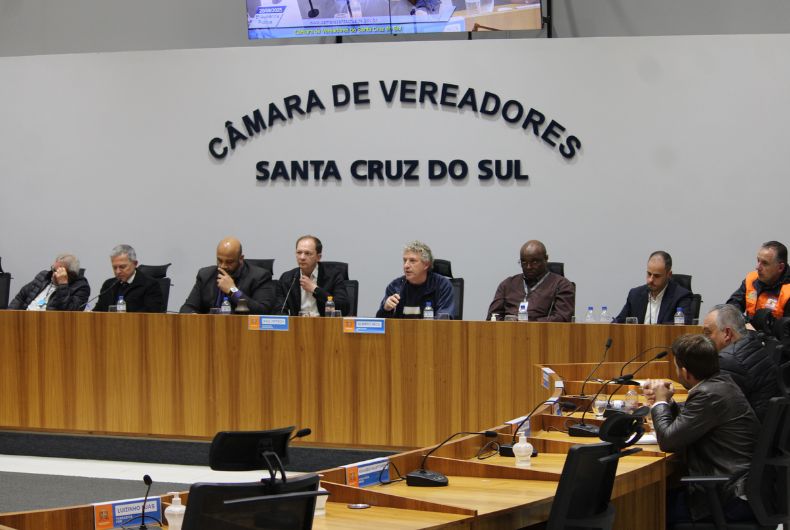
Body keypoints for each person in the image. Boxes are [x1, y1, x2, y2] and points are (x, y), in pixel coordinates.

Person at [643, 334, 759, 525]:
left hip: (729, 496)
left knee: (650, 506)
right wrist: (667, 402)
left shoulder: (708, 395)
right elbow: (693, 421)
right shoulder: (722, 383)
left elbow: (668, 441)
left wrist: (660, 403)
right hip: (743, 488)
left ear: (685, 372)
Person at [702, 303, 779, 422]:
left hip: (744, 430)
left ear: (727, 333)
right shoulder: (753, 343)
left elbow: (707, 409)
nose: (704, 339)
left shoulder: (729, 361)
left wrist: (669, 405)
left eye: (707, 333)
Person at [180, 237, 276, 314]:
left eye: (229, 262)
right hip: (209, 329)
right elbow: (187, 308)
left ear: (241, 258)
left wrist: (233, 291)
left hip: (241, 329)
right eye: (219, 260)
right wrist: (195, 317)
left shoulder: (260, 277)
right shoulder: (205, 275)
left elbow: (263, 311)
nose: (223, 266)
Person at [485, 240, 574, 321]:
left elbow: (563, 317)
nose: (528, 267)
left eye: (534, 262)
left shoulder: (561, 285)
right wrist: (508, 323)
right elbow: (492, 316)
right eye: (524, 262)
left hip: (543, 332)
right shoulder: (507, 284)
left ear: (546, 259)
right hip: (508, 331)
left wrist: (529, 324)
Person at [376, 241, 454, 319]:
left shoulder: (442, 285)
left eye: (412, 261)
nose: (406, 265)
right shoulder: (395, 287)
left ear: (426, 264)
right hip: (401, 327)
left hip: (431, 327)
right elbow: (380, 323)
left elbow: (444, 320)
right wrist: (386, 309)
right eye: (405, 260)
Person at [277, 235, 349, 316]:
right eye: (299, 252)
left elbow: (344, 308)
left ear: (318, 257)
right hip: (298, 323)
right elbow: (279, 309)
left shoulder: (333, 276)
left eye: (307, 253)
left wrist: (315, 289)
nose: (302, 257)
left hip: (324, 323)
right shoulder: (287, 278)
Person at [613, 250, 692, 324]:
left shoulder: (681, 296)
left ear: (669, 275)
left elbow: (684, 325)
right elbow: (618, 322)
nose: (650, 280)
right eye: (649, 274)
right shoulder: (635, 295)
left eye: (657, 276)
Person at [92, 244, 164, 313]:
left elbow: (152, 316)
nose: (118, 271)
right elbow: (98, 311)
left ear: (135, 264)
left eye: (122, 267)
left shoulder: (150, 285)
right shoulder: (108, 285)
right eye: (114, 267)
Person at [727, 240, 790, 318]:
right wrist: (744, 321)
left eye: (765, 263)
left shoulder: (788, 292)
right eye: (758, 261)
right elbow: (733, 305)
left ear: (780, 267)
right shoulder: (751, 279)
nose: (757, 267)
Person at [8, 253, 90, 311]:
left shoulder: (81, 287)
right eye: (53, 269)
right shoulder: (44, 276)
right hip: (24, 320)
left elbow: (68, 312)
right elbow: (20, 298)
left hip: (49, 325)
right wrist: (9, 316)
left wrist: (62, 285)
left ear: (70, 274)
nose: (53, 273)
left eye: (58, 271)